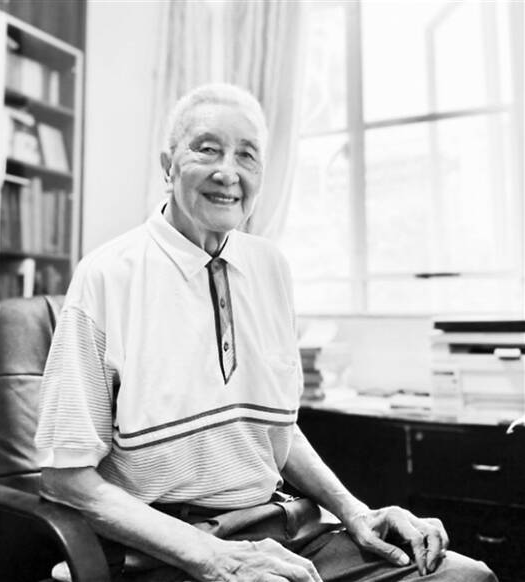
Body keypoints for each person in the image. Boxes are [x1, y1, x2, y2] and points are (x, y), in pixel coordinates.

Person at [35, 84, 496, 582]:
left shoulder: (270, 267)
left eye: (246, 155)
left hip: (283, 527)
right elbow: (66, 479)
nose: (227, 172)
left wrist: (355, 512)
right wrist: (212, 556)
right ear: (167, 166)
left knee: (464, 577)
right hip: (167, 545)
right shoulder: (106, 276)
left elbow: (276, 430)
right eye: (207, 149)